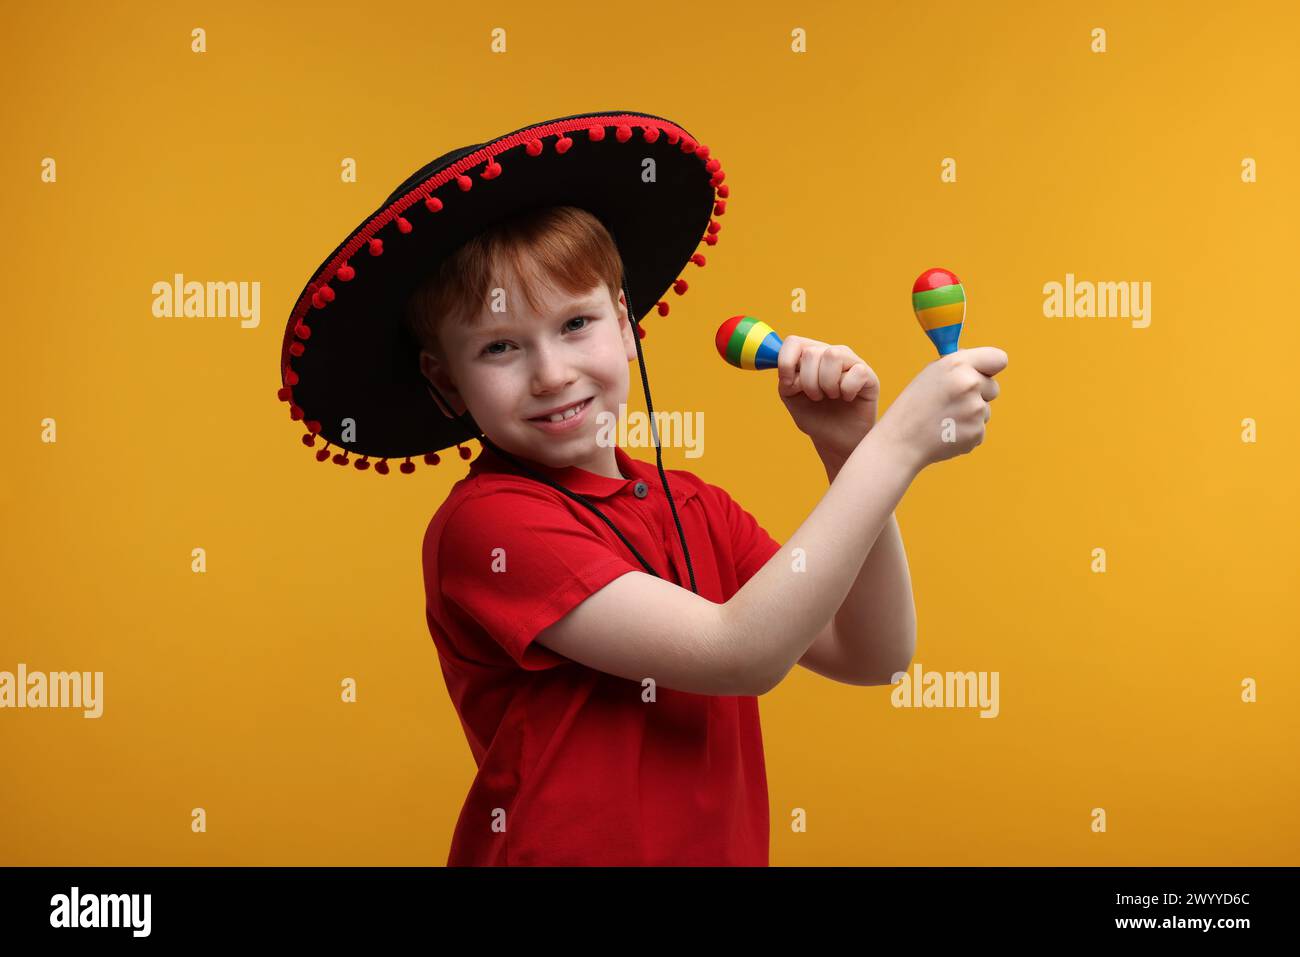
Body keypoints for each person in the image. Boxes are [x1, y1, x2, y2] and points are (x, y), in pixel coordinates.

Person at [276, 110, 1009, 866]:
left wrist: (849, 449)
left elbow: (873, 654)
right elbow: (739, 651)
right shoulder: (489, 524)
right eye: (499, 345)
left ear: (625, 323)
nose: (551, 372)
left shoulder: (695, 507)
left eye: (575, 324)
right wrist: (896, 448)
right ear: (445, 381)